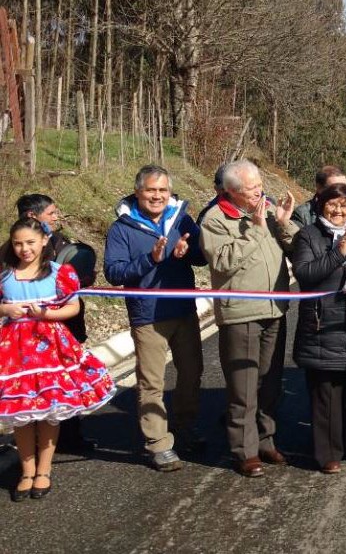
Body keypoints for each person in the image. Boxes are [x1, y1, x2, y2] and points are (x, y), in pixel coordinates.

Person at [0, 219, 116, 501]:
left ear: (43, 242)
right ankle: (26, 472)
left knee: (51, 409)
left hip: (51, 346)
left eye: (30, 242)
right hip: (15, 351)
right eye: (18, 243)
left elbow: (73, 306)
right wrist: (6, 308)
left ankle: (44, 470)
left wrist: (46, 315)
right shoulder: (5, 275)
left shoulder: (59, 273)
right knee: (22, 414)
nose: (24, 249)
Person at [103, 165, 208, 471]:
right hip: (147, 315)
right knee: (152, 381)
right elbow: (114, 272)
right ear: (138, 192)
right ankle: (158, 443)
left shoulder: (181, 218)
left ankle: (185, 426)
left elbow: (201, 256)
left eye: (163, 190)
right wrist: (151, 259)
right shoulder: (121, 228)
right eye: (151, 190)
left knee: (192, 373)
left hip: (183, 309)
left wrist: (187, 252)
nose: (158, 196)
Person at [200, 160, 298, 477]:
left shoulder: (268, 209)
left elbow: (297, 246)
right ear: (231, 192)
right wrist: (255, 231)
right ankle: (245, 450)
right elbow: (224, 261)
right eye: (251, 188)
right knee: (243, 387)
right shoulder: (214, 219)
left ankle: (267, 440)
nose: (259, 191)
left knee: (270, 381)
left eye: (259, 185)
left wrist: (282, 222)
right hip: (241, 311)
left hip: (275, 307)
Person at [291, 183, 346, 474]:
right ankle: (327, 453)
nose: (338, 211)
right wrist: (339, 252)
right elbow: (305, 274)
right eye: (332, 205)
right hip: (322, 323)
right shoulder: (307, 236)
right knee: (325, 391)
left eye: (344, 206)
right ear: (319, 205)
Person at [16, 194, 98, 452]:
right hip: (30, 335)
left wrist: (82, 278)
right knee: (34, 387)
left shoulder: (63, 243)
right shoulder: (12, 252)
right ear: (32, 216)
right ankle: (35, 445)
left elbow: (73, 281)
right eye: (51, 212)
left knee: (68, 382)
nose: (56, 216)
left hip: (67, 329)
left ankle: (70, 437)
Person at [291, 164, 346, 233]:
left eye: (344, 188)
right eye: (335, 189)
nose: (341, 193)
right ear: (319, 188)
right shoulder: (303, 214)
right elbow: (295, 245)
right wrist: (284, 224)